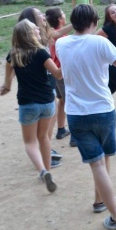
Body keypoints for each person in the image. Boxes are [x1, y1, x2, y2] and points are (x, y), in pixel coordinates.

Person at [56, 4, 116, 230]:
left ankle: (99, 200)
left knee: (97, 163)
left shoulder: (61, 44)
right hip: (103, 111)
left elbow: (61, 41)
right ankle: (115, 217)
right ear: (94, 22)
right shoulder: (100, 42)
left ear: (73, 22)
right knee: (103, 161)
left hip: (77, 114)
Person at [0, 20, 63, 193]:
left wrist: (5, 89)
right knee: (43, 137)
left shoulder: (12, 55)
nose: (38, 30)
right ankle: (48, 171)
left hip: (27, 104)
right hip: (47, 103)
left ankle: (42, 171)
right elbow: (57, 74)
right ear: (30, 34)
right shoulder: (41, 53)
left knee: (30, 142)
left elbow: (7, 84)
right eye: (35, 29)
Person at [19, 7, 71, 162]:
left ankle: (45, 147)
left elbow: (57, 34)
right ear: (32, 19)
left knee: (50, 114)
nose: (43, 15)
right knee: (49, 114)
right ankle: (45, 150)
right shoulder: (36, 36)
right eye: (39, 14)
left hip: (44, 79)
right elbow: (57, 35)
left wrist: (76, 22)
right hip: (44, 79)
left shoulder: (37, 34)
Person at [44, 8, 71, 143]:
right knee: (70, 103)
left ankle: (61, 130)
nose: (65, 15)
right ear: (60, 19)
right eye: (63, 14)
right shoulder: (61, 37)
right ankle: (75, 137)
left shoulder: (51, 33)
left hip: (55, 73)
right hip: (62, 74)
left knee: (62, 101)